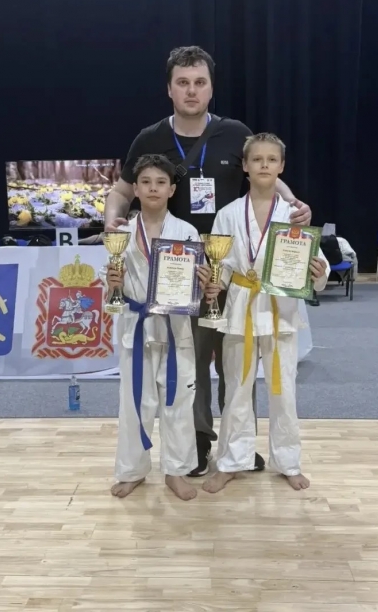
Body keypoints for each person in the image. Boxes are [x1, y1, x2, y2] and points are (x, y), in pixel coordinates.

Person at [105, 46, 312, 476]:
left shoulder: (235, 133)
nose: (191, 90)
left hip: (233, 268)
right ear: (169, 88)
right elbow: (122, 191)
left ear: (211, 87)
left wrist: (294, 204)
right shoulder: (149, 138)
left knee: (238, 357)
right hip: (176, 272)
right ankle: (198, 441)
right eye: (182, 82)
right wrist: (112, 222)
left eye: (199, 82)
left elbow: (265, 173)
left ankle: (238, 445)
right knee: (192, 361)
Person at [201, 133, 329, 494]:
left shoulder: (294, 215)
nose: (264, 165)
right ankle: (231, 461)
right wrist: (214, 282)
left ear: (282, 166)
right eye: (257, 159)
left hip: (280, 309)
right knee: (236, 390)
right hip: (240, 308)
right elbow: (221, 265)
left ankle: (288, 462)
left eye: (272, 160)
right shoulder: (228, 214)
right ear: (245, 165)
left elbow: (313, 260)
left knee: (283, 390)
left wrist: (319, 273)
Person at [106, 154, 212, 501]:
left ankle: (176, 471)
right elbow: (111, 294)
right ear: (135, 189)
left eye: (161, 182)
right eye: (146, 182)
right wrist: (112, 284)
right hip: (136, 328)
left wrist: (204, 283)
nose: (153, 188)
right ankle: (132, 471)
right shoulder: (120, 234)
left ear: (172, 190)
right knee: (134, 403)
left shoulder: (187, 232)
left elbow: (196, 290)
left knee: (179, 402)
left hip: (175, 328)